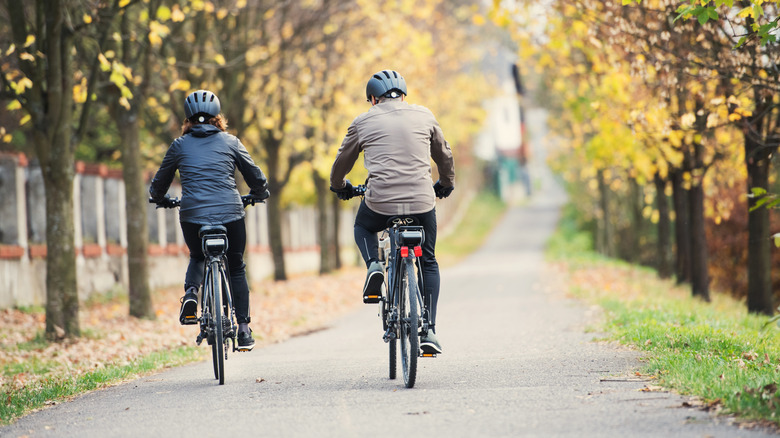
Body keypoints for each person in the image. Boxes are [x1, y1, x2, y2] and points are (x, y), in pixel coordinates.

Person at [329, 69, 455, 354]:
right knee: (430, 261)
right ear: (404, 95)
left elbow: (342, 161)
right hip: (422, 202)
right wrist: (446, 184)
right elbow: (444, 154)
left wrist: (339, 186)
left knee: (363, 226)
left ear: (373, 99)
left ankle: (374, 264)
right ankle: (430, 330)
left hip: (380, 202)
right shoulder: (424, 115)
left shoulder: (362, 121)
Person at [149, 89, 269, 351]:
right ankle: (245, 329)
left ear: (188, 119)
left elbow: (159, 183)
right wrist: (259, 193)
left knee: (198, 256)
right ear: (218, 117)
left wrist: (160, 198)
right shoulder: (231, 142)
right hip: (231, 214)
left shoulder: (179, 146)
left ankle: (191, 294)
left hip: (193, 215)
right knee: (236, 266)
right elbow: (255, 177)